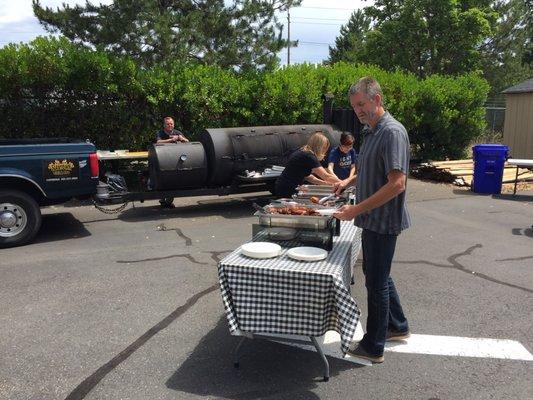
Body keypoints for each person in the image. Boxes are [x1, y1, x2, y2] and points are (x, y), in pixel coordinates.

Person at [334, 76, 411, 364]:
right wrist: (348, 185)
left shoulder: (392, 132)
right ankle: (397, 326)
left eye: (362, 104)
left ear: (377, 99)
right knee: (380, 274)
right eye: (355, 107)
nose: (358, 111)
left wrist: (355, 210)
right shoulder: (372, 131)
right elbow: (369, 173)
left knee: (376, 282)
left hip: (383, 220)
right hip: (372, 219)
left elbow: (396, 184)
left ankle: (374, 345)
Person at [274, 132, 340, 198]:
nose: (325, 151)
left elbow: (308, 177)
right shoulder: (309, 156)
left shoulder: (302, 151)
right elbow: (326, 176)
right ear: (319, 147)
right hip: (287, 188)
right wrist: (343, 183)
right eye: (324, 148)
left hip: (283, 185)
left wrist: (325, 183)